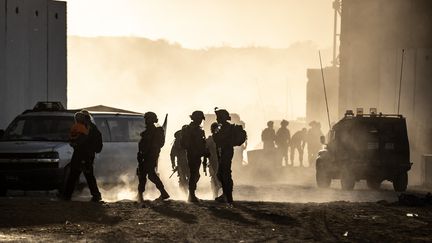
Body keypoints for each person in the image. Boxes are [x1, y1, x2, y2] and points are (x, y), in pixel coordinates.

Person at [63, 111, 102, 202]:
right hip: (83, 155)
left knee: (77, 175)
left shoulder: (89, 128)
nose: (77, 120)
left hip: (84, 155)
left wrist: (75, 143)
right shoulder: (89, 127)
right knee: (83, 175)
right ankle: (95, 195)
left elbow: (83, 140)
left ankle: (67, 195)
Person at [136, 112, 170, 203]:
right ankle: (162, 192)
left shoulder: (156, 131)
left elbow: (158, 144)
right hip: (147, 156)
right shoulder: (148, 132)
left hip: (149, 156)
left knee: (146, 175)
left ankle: (140, 194)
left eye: (147, 119)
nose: (146, 121)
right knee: (149, 175)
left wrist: (147, 153)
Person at [181, 111, 207, 202]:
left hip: (196, 154)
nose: (200, 121)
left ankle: (191, 194)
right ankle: (191, 195)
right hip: (193, 154)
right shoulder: (192, 129)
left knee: (195, 175)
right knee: (194, 174)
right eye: (199, 119)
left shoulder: (196, 129)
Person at [213, 108, 235, 206]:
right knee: (221, 174)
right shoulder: (222, 127)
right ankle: (226, 195)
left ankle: (228, 196)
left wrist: (215, 134)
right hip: (223, 151)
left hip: (226, 151)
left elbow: (220, 139)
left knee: (225, 174)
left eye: (218, 117)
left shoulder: (226, 127)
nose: (217, 119)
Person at [170, 129, 189, 194]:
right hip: (183, 163)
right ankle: (186, 193)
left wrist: (173, 164)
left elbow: (172, 154)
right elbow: (172, 154)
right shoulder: (177, 143)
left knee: (185, 178)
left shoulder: (187, 141)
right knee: (183, 178)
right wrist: (173, 164)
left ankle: (188, 193)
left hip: (185, 163)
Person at [206, 122, 222, 199]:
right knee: (214, 178)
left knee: (219, 178)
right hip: (213, 161)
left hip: (220, 161)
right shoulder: (210, 139)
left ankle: (217, 194)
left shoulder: (221, 139)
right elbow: (205, 150)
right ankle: (214, 194)